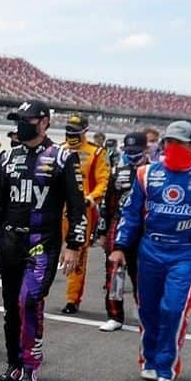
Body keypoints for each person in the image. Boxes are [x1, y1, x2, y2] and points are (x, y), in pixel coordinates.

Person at [111, 120, 191, 381]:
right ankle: (150, 358)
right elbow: (131, 215)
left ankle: (167, 367)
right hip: (150, 250)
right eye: (170, 141)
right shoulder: (145, 174)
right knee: (147, 308)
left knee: (174, 310)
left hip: (186, 253)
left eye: (180, 142)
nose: (174, 147)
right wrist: (119, 246)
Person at [0, 101, 85, 381]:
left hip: (42, 244)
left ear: (44, 122)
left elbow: (78, 207)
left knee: (30, 300)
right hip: (9, 242)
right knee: (12, 306)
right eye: (19, 119)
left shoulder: (63, 157)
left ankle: (30, 363)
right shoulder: (9, 156)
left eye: (27, 119)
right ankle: (14, 363)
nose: (22, 124)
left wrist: (74, 245)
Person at [59, 113, 109, 315]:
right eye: (68, 130)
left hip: (82, 211)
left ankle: (72, 300)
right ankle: (37, 295)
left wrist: (90, 198)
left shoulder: (96, 153)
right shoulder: (58, 150)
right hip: (56, 210)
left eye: (75, 131)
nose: (71, 135)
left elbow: (103, 182)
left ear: (85, 131)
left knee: (78, 254)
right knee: (45, 250)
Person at [98, 131, 147, 331]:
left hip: (146, 228)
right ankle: (115, 316)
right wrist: (102, 231)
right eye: (128, 151)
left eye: (136, 151)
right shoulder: (117, 170)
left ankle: (143, 311)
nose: (132, 154)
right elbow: (107, 203)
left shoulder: (156, 171)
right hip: (118, 225)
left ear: (145, 150)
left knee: (143, 273)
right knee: (114, 272)